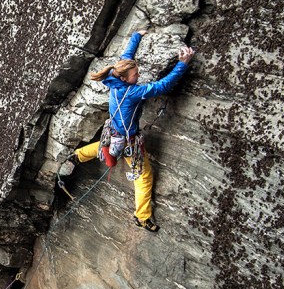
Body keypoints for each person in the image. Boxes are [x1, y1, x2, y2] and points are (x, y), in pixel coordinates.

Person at [65, 30, 194, 232]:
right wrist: (182, 64)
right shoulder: (133, 92)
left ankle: (76, 156)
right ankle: (142, 217)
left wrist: (136, 35)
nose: (139, 75)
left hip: (114, 131)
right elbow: (163, 86)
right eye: (136, 75)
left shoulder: (114, 79)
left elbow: (126, 57)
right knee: (144, 176)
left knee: (104, 146)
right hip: (127, 140)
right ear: (126, 78)